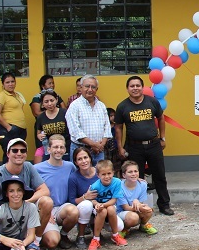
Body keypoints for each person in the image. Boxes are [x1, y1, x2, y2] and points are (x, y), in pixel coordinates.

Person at [0, 138, 50, 250]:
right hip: (4, 220)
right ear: (7, 154)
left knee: (47, 203)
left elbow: (45, 190)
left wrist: (24, 203)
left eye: (23, 150)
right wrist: (9, 214)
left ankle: (35, 242)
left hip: (25, 215)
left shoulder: (28, 166)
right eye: (15, 150)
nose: (19, 153)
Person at [115, 76, 173, 215]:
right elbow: (118, 127)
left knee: (159, 175)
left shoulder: (152, 101)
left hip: (154, 144)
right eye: (132, 86)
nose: (135, 88)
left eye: (138, 85)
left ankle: (164, 204)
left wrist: (162, 138)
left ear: (142, 87)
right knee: (136, 177)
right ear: (127, 89)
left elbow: (161, 118)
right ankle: (137, 207)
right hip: (134, 147)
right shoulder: (122, 106)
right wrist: (120, 147)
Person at [33, 134, 79, 249]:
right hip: (44, 208)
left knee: (73, 211)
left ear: (65, 150)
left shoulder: (70, 167)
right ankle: (37, 238)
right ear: (48, 149)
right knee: (52, 242)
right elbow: (33, 193)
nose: (58, 150)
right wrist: (45, 213)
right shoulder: (37, 169)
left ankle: (63, 234)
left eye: (61, 147)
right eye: (55, 147)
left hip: (61, 207)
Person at [66, 74, 112, 165]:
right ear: (81, 87)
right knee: (79, 173)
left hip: (99, 151)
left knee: (98, 173)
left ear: (96, 89)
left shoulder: (101, 105)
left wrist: (101, 145)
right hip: (80, 150)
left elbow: (107, 126)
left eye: (93, 87)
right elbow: (75, 131)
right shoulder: (74, 106)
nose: (90, 89)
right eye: (87, 86)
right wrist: (93, 144)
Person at [87, 159, 128, 250]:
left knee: (110, 209)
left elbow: (114, 200)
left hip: (109, 205)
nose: (107, 177)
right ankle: (96, 238)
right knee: (103, 211)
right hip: (98, 208)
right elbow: (92, 199)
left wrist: (103, 204)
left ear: (113, 172)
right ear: (98, 175)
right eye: (103, 174)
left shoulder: (117, 182)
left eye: (109, 173)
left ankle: (115, 235)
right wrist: (97, 204)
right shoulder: (95, 186)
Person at [68, 147, 102, 249]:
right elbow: (72, 200)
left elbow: (114, 182)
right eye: (79, 159)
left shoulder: (99, 172)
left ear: (90, 158)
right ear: (75, 162)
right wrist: (85, 197)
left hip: (101, 206)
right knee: (86, 204)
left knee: (119, 225)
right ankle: (80, 236)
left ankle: (98, 233)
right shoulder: (73, 178)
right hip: (83, 209)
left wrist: (134, 180)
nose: (83, 161)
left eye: (85, 157)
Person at [0, 72, 28, 162]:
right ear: (3, 84)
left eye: (12, 81)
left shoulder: (17, 95)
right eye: (7, 82)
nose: (10, 84)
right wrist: (9, 127)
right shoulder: (1, 96)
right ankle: (6, 171)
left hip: (20, 129)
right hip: (8, 129)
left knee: (18, 155)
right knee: (9, 154)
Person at [116, 160, 157, 238]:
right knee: (133, 218)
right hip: (121, 212)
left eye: (136, 171)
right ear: (124, 175)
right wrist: (137, 204)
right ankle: (125, 229)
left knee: (149, 210)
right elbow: (126, 207)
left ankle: (143, 225)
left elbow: (141, 203)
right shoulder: (119, 187)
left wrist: (138, 203)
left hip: (134, 208)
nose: (134, 174)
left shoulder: (142, 184)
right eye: (130, 172)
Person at [35, 90, 70, 163]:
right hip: (50, 151)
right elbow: (38, 133)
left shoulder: (65, 113)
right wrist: (39, 136)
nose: (50, 104)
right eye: (46, 101)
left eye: (52, 100)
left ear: (56, 100)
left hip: (66, 149)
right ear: (42, 104)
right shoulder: (41, 117)